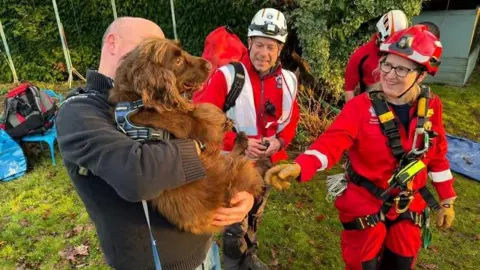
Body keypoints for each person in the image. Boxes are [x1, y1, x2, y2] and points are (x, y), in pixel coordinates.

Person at [56, 17, 254, 270]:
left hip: (204, 252)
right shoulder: (80, 112)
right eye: (149, 45)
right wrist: (201, 144)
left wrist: (241, 191)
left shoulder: (154, 100)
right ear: (112, 42)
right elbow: (138, 174)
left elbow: (201, 158)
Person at [265, 25, 456, 270]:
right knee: (361, 264)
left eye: (401, 69)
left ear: (421, 75)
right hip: (365, 202)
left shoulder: (431, 107)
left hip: (409, 204)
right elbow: (332, 142)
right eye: (387, 64)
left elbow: (436, 154)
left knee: (402, 261)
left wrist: (447, 199)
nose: (389, 74)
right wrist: (300, 166)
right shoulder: (360, 107)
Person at [193, 8, 300, 270]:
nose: (264, 53)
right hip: (233, 164)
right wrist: (237, 142)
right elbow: (203, 122)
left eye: (271, 47)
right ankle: (233, 262)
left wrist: (280, 142)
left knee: (256, 212)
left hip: (266, 163)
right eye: (260, 44)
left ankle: (248, 256)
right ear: (249, 42)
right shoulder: (228, 76)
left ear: (280, 49)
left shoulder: (287, 80)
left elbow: (292, 120)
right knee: (234, 219)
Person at [344, 10, 408, 102]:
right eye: (385, 44)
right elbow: (349, 90)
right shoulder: (361, 55)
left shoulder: (403, 54)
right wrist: (351, 114)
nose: (388, 49)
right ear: (379, 34)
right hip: (370, 105)